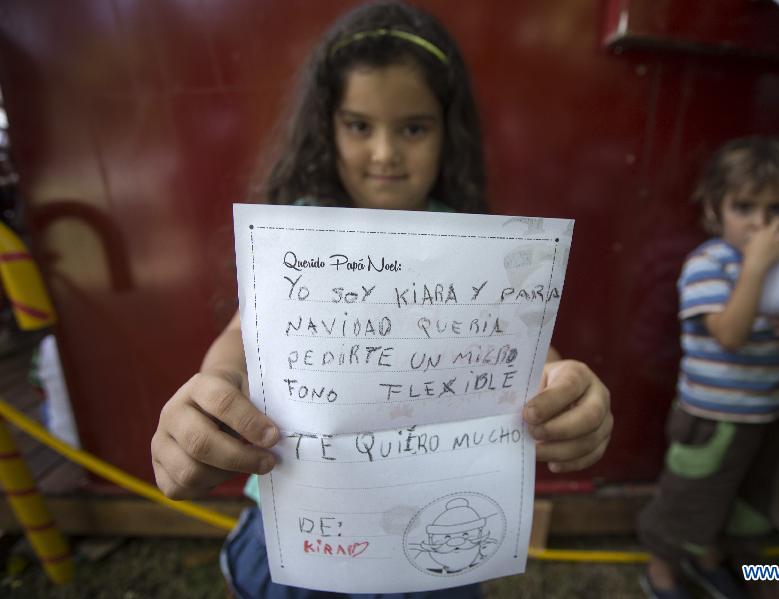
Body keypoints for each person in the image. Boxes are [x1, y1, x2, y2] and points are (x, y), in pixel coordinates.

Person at [150, 2, 613, 598]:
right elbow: (243, 338)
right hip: (302, 520)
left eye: (413, 127)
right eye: (360, 125)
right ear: (328, 126)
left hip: (433, 525)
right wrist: (213, 400)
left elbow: (529, 357)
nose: (385, 154)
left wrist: (573, 395)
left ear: (449, 132)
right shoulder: (303, 236)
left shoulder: (477, 247)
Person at [637, 136, 779, 599]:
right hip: (712, 418)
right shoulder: (708, 264)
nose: (761, 224)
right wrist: (756, 269)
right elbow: (730, 334)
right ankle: (660, 572)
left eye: (777, 210)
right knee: (688, 500)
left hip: (768, 410)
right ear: (716, 209)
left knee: (739, 499)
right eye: (744, 207)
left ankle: (709, 559)